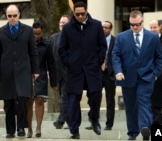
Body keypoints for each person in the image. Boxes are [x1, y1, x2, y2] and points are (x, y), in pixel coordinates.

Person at [112, 10, 162, 140]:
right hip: (127, 78)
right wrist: (118, 71)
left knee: (144, 102)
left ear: (142, 22)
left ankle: (145, 128)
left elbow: (159, 57)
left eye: (137, 24)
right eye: (132, 24)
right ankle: (133, 133)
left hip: (146, 78)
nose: (135, 27)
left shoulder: (152, 37)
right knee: (130, 106)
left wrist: (156, 74)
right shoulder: (121, 37)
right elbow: (115, 55)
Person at [59, 1, 107, 139]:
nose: (80, 16)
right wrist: (69, 62)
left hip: (92, 70)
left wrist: (98, 60)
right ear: (73, 13)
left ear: (86, 12)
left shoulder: (96, 25)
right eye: (77, 14)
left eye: (82, 14)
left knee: (95, 97)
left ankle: (94, 120)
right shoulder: (68, 28)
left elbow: (102, 46)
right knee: (73, 102)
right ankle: (74, 130)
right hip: (74, 71)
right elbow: (62, 49)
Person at [0, 4, 39, 138]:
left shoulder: (28, 30)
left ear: (19, 15)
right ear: (7, 16)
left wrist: (35, 70)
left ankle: (21, 128)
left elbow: (33, 52)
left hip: (24, 70)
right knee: (8, 102)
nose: (12, 18)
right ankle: (10, 130)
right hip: (6, 71)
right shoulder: (0, 32)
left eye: (14, 15)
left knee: (22, 100)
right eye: (9, 16)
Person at [26, 21, 57, 138]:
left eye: (38, 34)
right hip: (27, 76)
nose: (36, 36)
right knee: (28, 102)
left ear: (42, 32)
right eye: (34, 34)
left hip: (41, 75)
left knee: (39, 100)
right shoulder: (26, 43)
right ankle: (29, 129)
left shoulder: (47, 44)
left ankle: (38, 127)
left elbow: (51, 63)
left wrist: (53, 81)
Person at [85, 21, 116, 131]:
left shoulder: (115, 41)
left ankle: (109, 124)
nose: (103, 29)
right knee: (94, 98)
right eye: (102, 27)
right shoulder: (95, 40)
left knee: (110, 100)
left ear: (110, 29)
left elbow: (117, 56)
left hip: (110, 74)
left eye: (106, 28)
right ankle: (94, 122)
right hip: (97, 72)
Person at [49, 14, 71, 129]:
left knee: (65, 98)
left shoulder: (73, 37)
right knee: (63, 98)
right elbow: (50, 57)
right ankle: (70, 122)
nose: (62, 24)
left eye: (65, 23)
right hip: (57, 75)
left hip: (70, 74)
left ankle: (61, 120)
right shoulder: (53, 38)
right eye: (61, 22)